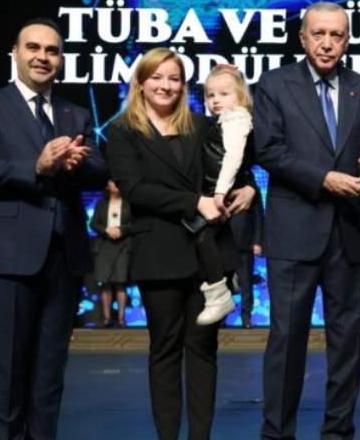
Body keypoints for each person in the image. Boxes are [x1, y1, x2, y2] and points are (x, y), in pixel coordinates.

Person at [0, 18, 107, 440]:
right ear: (15, 52)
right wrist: (36, 167)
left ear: (61, 59)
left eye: (52, 51)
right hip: (6, 258)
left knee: (49, 378)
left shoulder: (75, 113)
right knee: (7, 378)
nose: (42, 57)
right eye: (33, 48)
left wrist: (76, 165)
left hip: (64, 258)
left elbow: (100, 170)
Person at [105, 47, 256, 440]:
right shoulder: (122, 131)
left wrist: (249, 190)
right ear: (141, 82)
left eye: (174, 78)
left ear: (184, 85)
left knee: (204, 350)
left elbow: (234, 164)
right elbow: (134, 189)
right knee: (165, 350)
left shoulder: (203, 125)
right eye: (157, 77)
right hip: (158, 254)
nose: (165, 85)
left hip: (209, 254)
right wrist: (194, 202)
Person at [253, 1, 360, 440]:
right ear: (303, 37)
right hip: (294, 231)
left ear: (347, 41)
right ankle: (277, 433)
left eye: (336, 35)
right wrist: (324, 179)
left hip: (350, 231)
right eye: (319, 34)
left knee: (347, 343)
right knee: (287, 341)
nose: (327, 43)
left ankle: (339, 431)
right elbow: (268, 150)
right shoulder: (273, 84)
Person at [187, 64, 256, 325]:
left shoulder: (237, 119)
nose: (215, 100)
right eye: (210, 95)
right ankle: (227, 281)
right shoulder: (217, 122)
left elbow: (234, 158)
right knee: (205, 240)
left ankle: (220, 293)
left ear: (240, 96)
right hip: (211, 192)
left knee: (205, 238)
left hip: (220, 193)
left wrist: (220, 190)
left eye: (224, 94)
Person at [89, 179, 131, 327]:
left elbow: (134, 223)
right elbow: (93, 224)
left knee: (121, 283)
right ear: (107, 186)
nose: (116, 185)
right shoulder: (101, 203)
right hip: (104, 246)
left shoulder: (128, 203)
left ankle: (121, 319)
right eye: (113, 182)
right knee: (105, 283)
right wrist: (106, 230)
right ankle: (106, 318)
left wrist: (121, 230)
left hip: (123, 246)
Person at [228, 187, 263, 328]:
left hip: (245, 242)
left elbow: (259, 216)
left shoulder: (251, 189)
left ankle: (246, 317)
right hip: (223, 243)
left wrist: (258, 242)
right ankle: (221, 318)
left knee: (246, 283)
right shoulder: (219, 187)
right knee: (221, 283)